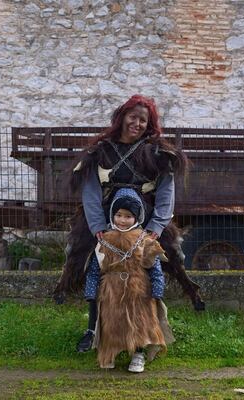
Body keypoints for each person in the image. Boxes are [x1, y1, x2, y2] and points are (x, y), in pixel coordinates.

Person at [52, 94, 205, 350]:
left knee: (155, 269)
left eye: (143, 120)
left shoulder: (158, 153)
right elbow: (90, 192)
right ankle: (92, 331)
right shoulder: (100, 152)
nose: (137, 123)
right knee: (93, 267)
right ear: (122, 117)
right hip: (104, 221)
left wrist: (155, 230)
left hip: (145, 225)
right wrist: (97, 229)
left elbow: (166, 194)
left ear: (149, 123)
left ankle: (146, 333)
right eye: (133, 117)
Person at [84, 188, 173, 372]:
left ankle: (138, 354)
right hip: (111, 291)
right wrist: (91, 291)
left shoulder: (145, 240)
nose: (122, 220)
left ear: (137, 217)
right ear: (112, 215)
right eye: (118, 215)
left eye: (128, 216)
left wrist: (157, 290)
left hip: (139, 290)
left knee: (139, 322)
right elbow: (94, 269)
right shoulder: (104, 241)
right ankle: (110, 352)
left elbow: (155, 268)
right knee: (111, 323)